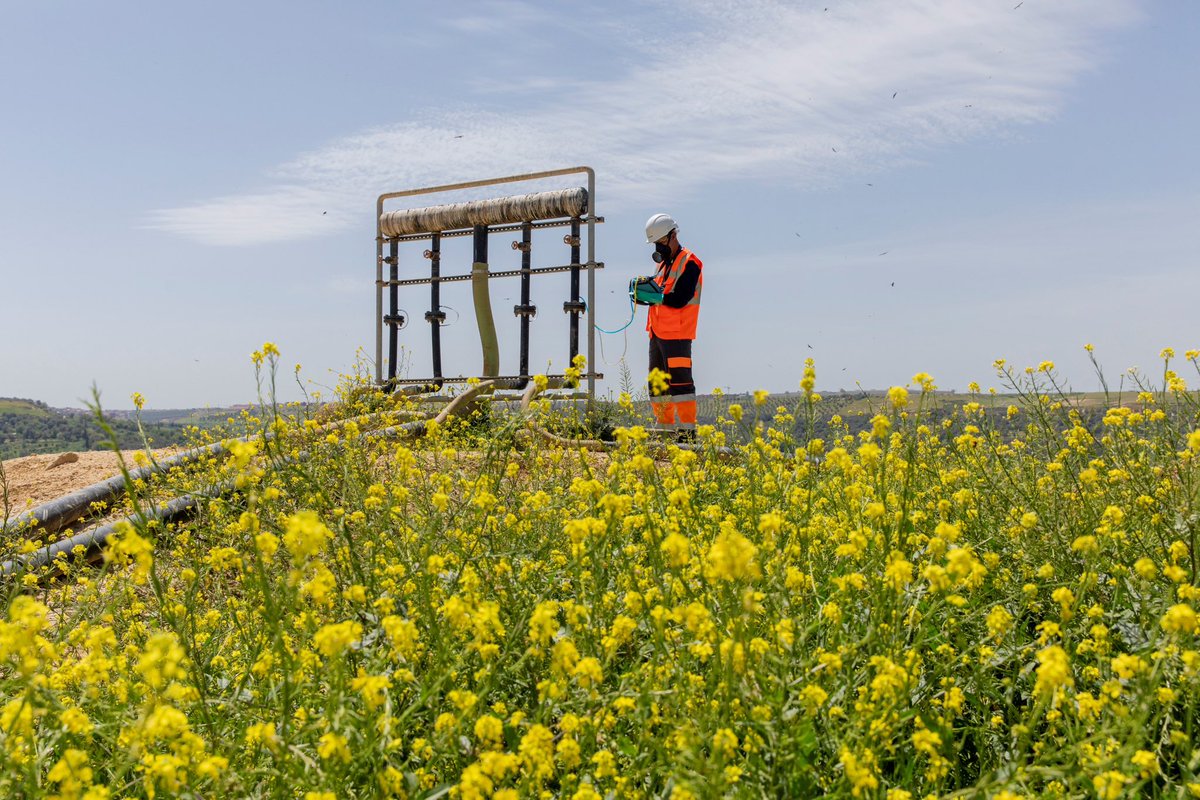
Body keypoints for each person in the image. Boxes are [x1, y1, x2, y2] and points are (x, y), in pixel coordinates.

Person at [643, 212, 703, 439]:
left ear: (672, 236)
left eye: (660, 242)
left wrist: (655, 297)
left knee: (681, 384)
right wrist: (644, 294)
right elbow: (659, 294)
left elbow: (680, 298)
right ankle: (664, 430)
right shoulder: (662, 267)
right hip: (657, 333)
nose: (658, 247)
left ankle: (687, 432)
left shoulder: (691, 262)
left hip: (677, 334)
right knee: (657, 385)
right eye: (655, 244)